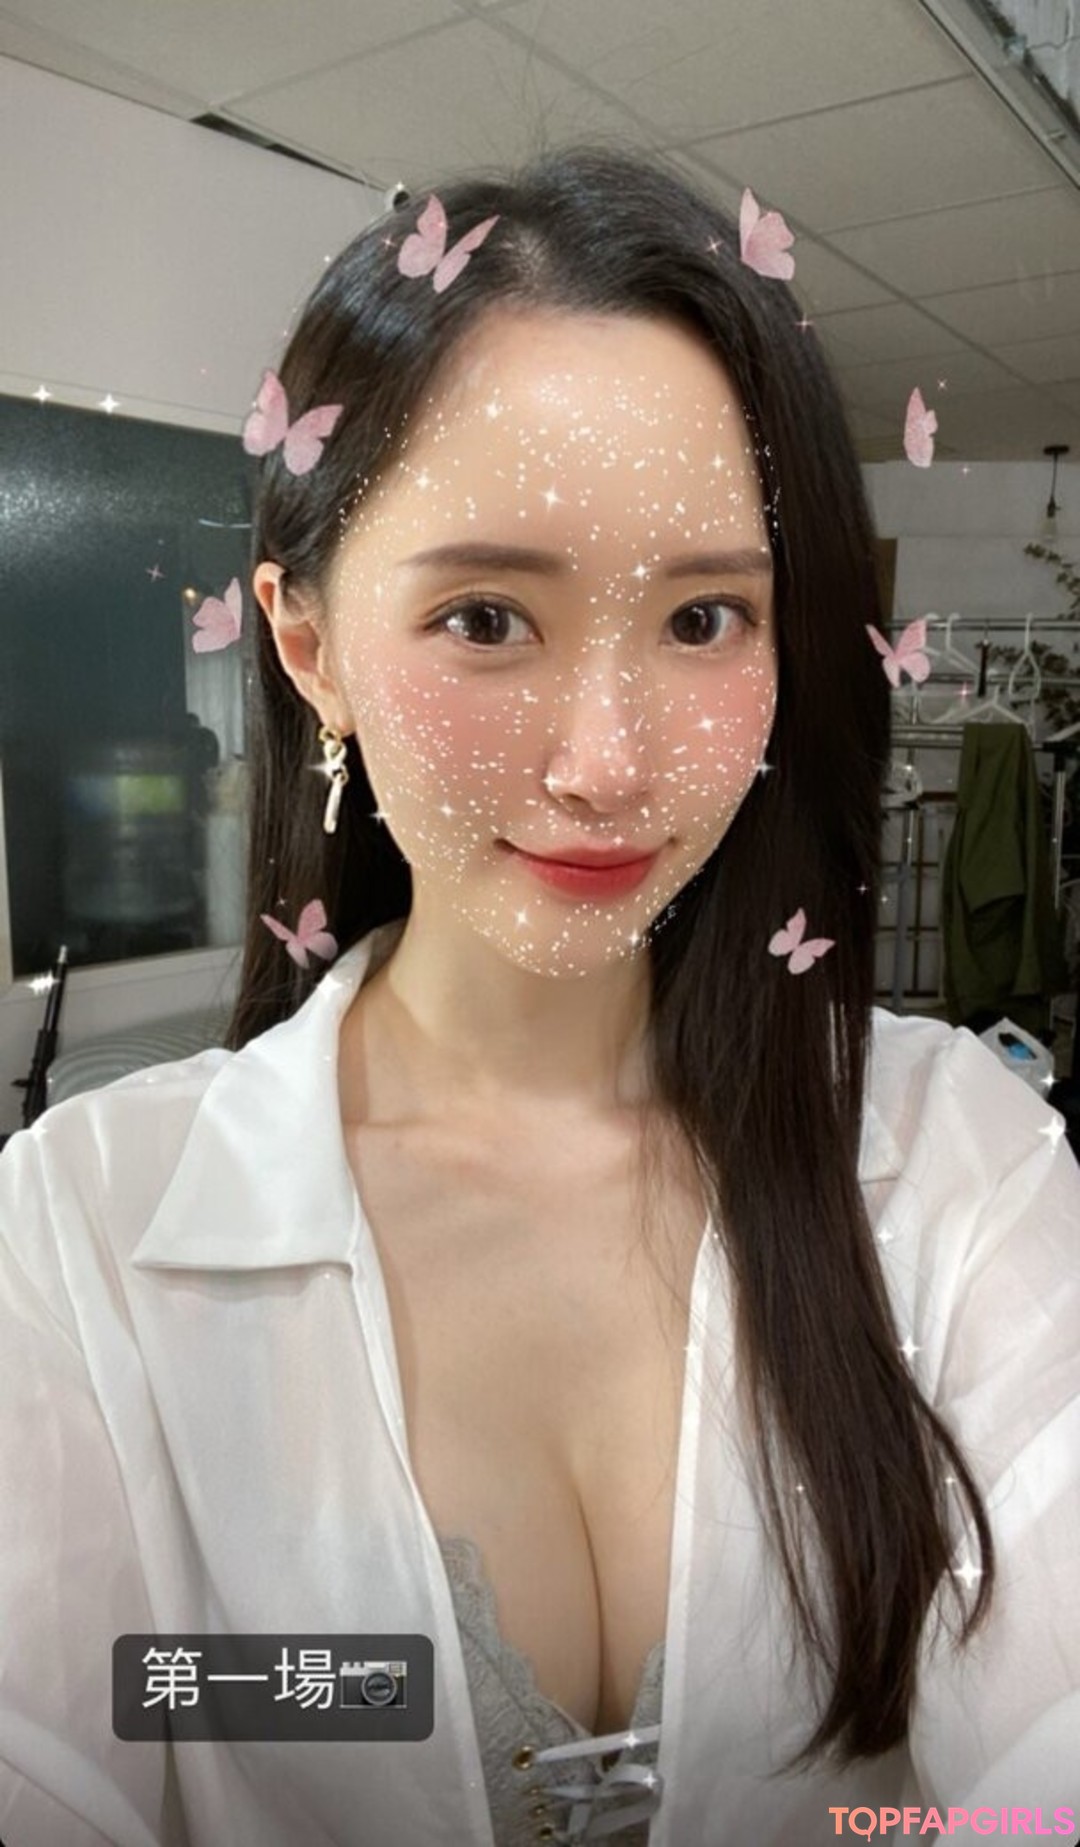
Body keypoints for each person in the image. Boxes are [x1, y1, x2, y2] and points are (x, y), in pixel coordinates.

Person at [1, 147, 1077, 1847]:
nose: (606, 766)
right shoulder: (74, 1239)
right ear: (309, 645)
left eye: (705, 617)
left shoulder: (963, 1168)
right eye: (490, 616)